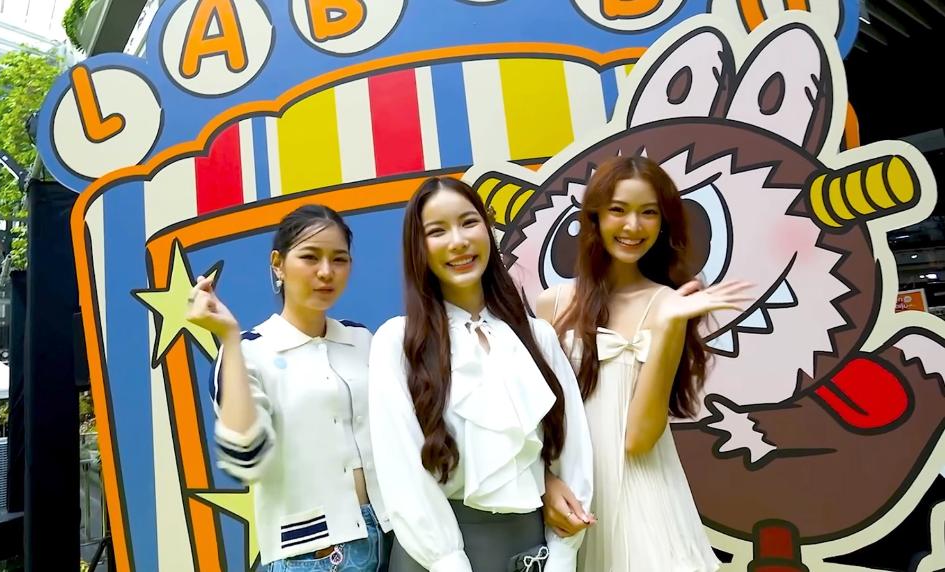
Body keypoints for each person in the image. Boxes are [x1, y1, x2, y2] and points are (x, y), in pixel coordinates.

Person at [368, 177, 594, 571]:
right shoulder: (397, 342)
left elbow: (572, 456)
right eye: (437, 231)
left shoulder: (537, 337)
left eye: (468, 222)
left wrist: (562, 556)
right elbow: (402, 472)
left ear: (488, 229)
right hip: (435, 559)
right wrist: (448, 562)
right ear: (418, 248)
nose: (458, 241)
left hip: (533, 551)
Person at [536, 156, 750, 571]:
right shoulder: (553, 304)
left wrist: (669, 325)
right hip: (572, 500)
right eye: (618, 210)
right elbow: (537, 421)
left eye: (648, 213)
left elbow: (638, 439)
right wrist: (546, 483)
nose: (633, 226)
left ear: (664, 224)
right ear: (595, 217)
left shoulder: (670, 305)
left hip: (644, 501)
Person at [187, 204, 390, 571]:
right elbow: (246, 454)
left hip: (391, 534)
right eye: (310, 257)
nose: (326, 272)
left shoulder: (362, 339)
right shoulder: (249, 351)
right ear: (278, 264)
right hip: (313, 554)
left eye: (339, 259)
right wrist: (228, 337)